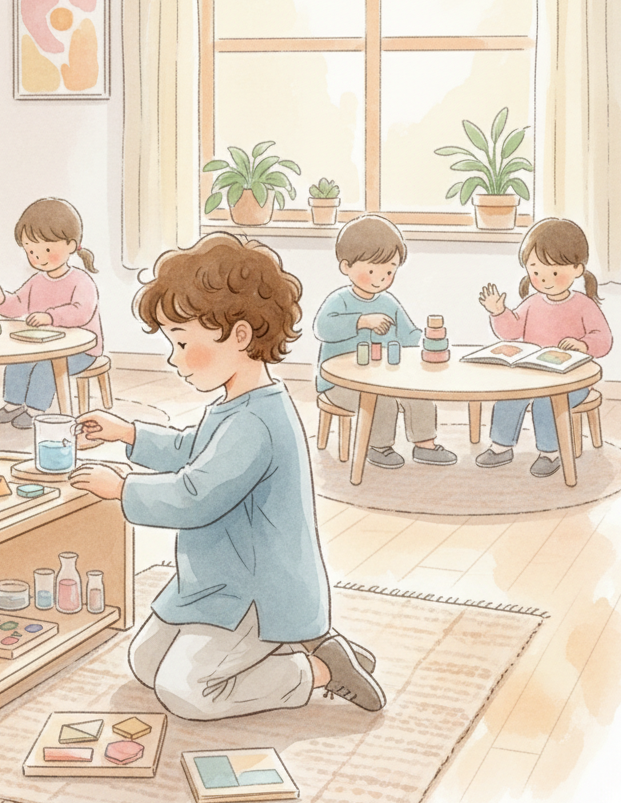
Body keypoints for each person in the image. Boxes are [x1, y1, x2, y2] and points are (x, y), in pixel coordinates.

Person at [68, 233, 385, 721]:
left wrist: (122, 488)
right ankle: (312, 655)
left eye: (182, 343)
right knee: (145, 662)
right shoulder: (236, 406)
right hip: (214, 584)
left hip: (256, 593)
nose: (173, 359)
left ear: (239, 336)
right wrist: (128, 433)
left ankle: (316, 672)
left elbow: (195, 495)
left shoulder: (256, 421)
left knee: (186, 692)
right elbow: (188, 450)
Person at [314, 214, 457, 468]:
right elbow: (322, 327)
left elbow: (409, 335)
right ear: (346, 267)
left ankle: (425, 444)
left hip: (385, 375)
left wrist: (429, 342)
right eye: (372, 270)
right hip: (341, 384)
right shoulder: (340, 300)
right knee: (381, 398)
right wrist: (361, 321)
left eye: (389, 271)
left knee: (417, 393)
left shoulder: (388, 302)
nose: (381, 277)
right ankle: (379, 446)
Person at [475, 217, 613, 477]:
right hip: (533, 376)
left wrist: (583, 344)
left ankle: (550, 453)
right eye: (535, 271)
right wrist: (499, 312)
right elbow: (511, 331)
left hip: (572, 381)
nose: (543, 279)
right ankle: (501, 446)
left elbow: (604, 339)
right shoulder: (532, 303)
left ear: (577, 269)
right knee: (509, 397)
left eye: (554, 272)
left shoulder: (583, 305)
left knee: (546, 402)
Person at [0, 198, 103, 429]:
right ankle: (14, 403)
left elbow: (81, 312)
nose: (39, 257)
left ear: (70, 245)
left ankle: (36, 410)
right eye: (31, 251)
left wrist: (50, 317)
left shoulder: (81, 280)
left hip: (81, 350)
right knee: (18, 361)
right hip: (42, 345)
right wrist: (0, 298)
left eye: (47, 249)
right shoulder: (37, 281)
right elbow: (17, 303)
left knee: (46, 367)